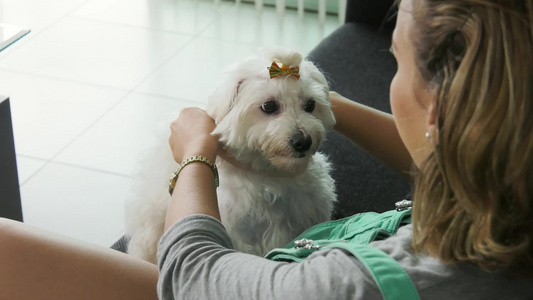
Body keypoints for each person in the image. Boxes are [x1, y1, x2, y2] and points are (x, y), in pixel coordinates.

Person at [0, 0, 531, 298]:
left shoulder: (354, 286)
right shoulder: (508, 183)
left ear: (438, 108)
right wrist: (316, 99)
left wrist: (195, 160)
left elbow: (192, 274)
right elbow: (441, 154)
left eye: (397, 63)